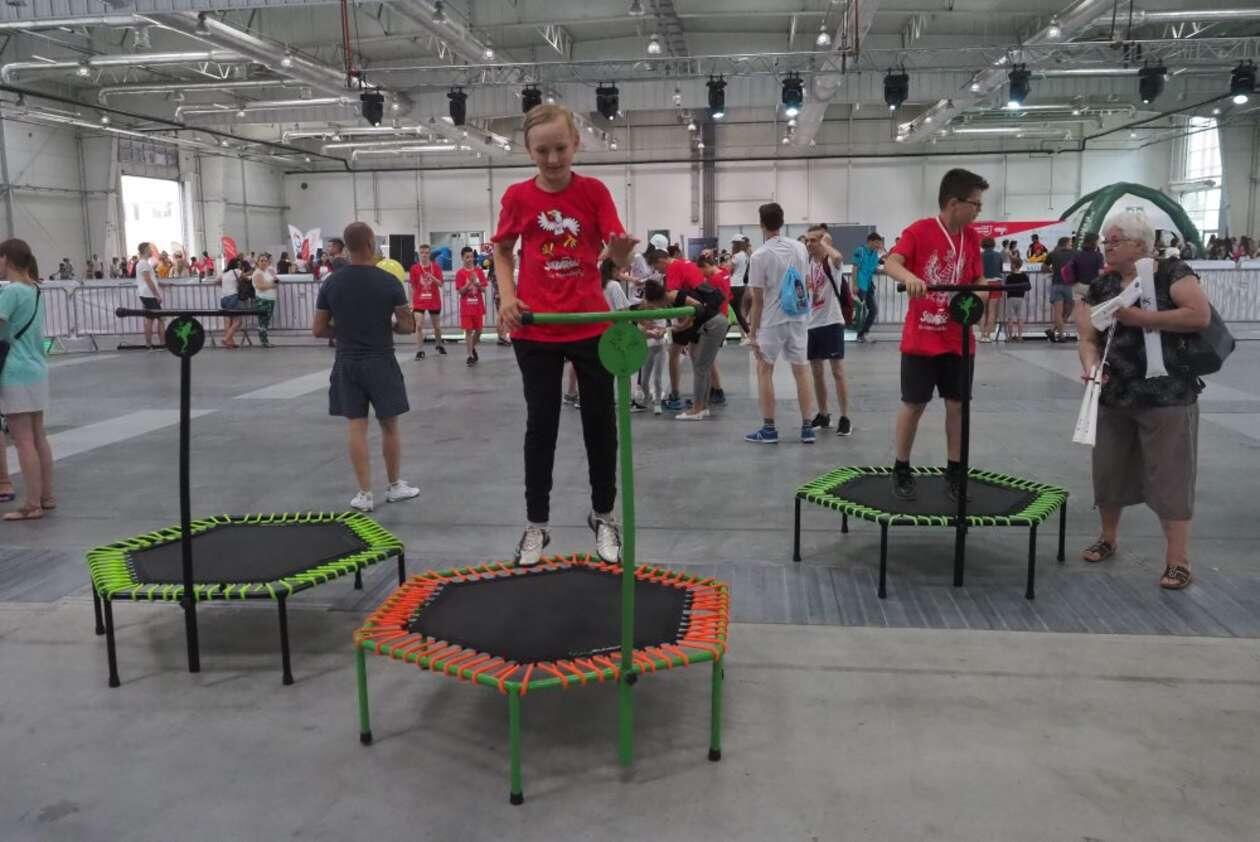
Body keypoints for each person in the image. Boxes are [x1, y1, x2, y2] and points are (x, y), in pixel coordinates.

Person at [493, 103, 638, 567]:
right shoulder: (518, 196)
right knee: (542, 425)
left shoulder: (593, 191)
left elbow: (617, 254)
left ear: (575, 143)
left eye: (560, 148)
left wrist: (620, 253)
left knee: (601, 424)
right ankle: (536, 523)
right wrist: (507, 296)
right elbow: (502, 250)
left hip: (590, 324)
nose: (553, 159)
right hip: (536, 328)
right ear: (528, 150)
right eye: (542, 151)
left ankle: (603, 515)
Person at [1075, 211, 1212, 591]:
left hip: (1167, 395)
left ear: (1139, 244)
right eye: (1106, 241)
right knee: (1109, 470)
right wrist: (1091, 368)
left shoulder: (1172, 274)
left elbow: (1198, 315)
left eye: (1114, 241)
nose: (1107, 247)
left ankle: (1178, 560)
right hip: (1114, 394)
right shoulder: (1102, 285)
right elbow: (1087, 336)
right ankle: (1107, 538)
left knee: (1171, 476)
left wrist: (1139, 317)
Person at [882, 168, 990, 501]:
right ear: (954, 203)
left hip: (958, 339)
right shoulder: (920, 230)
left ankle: (955, 471)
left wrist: (980, 294)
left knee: (958, 405)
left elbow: (978, 278)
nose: (979, 210)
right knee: (914, 404)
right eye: (975, 204)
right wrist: (909, 277)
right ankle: (901, 467)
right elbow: (891, 263)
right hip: (922, 338)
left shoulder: (972, 238)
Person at [312, 222, 419, 512]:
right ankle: (395, 486)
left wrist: (345, 331)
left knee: (356, 426)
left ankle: (364, 494)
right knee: (390, 425)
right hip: (381, 360)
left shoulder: (331, 283)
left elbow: (319, 329)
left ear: (346, 247)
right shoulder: (389, 282)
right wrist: (390, 326)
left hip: (347, 361)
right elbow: (407, 326)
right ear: (371, 244)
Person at [744, 202, 817, 444]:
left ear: (761, 224)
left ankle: (769, 429)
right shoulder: (800, 248)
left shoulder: (759, 255)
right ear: (782, 221)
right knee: (801, 370)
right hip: (798, 317)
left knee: (764, 370)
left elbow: (757, 300)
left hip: (772, 320)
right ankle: (807, 427)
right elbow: (805, 281)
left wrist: (752, 333)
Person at [0, 239, 53, 520]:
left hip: (15, 372)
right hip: (36, 369)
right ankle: (46, 495)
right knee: (38, 436)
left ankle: (31, 504)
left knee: (23, 441)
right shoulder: (35, 290)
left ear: (6, 259)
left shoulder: (11, 292)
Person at [640, 264, 726, 421]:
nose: (655, 309)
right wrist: (669, 329)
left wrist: (682, 325)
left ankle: (697, 409)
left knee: (701, 367)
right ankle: (703, 406)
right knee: (702, 366)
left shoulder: (675, 296)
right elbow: (683, 325)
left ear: (657, 300)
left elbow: (697, 308)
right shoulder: (671, 301)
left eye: (653, 306)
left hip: (713, 325)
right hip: (708, 326)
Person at [804, 225, 852, 436]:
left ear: (823, 242)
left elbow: (839, 257)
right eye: (807, 240)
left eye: (813, 240)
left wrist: (825, 243)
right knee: (816, 373)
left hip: (831, 322)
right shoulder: (808, 264)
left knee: (837, 371)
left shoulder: (830, 263)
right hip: (812, 323)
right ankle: (823, 414)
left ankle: (845, 417)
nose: (809, 244)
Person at [647, 247, 704, 411]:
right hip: (702, 311)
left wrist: (679, 326)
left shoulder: (672, 269)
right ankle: (714, 392)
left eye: (656, 267)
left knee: (674, 354)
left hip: (694, 313)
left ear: (661, 261)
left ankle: (675, 395)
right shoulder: (684, 264)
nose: (658, 271)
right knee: (702, 358)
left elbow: (674, 299)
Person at [629, 280, 668, 414]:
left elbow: (663, 330)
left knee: (657, 378)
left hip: (660, 348)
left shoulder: (660, 312)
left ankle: (658, 403)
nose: (651, 305)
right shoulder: (641, 312)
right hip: (647, 349)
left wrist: (659, 332)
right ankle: (646, 399)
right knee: (644, 380)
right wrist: (649, 332)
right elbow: (640, 332)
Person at [408, 244, 446, 359]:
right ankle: (420, 350)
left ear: (429, 254)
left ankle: (439, 344)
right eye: (422, 253)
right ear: (419, 254)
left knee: (437, 326)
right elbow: (412, 286)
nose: (424, 255)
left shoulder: (436, 267)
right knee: (419, 326)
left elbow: (441, 284)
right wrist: (411, 302)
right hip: (419, 300)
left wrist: (432, 277)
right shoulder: (414, 268)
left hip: (433, 300)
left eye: (426, 253)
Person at [455, 246, 487, 366]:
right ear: (462, 258)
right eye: (467, 257)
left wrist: (477, 283)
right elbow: (460, 292)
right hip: (466, 308)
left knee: (479, 332)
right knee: (468, 331)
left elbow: (483, 289)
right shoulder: (460, 273)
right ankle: (470, 355)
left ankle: (472, 348)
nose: (470, 259)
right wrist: (469, 283)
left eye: (471, 257)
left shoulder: (479, 271)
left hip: (478, 306)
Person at [851, 232, 884, 342]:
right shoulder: (860, 251)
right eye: (877, 243)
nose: (879, 245)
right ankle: (859, 335)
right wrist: (854, 284)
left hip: (869, 286)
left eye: (879, 243)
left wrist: (888, 270)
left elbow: (874, 268)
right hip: (860, 285)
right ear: (870, 241)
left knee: (873, 310)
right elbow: (854, 268)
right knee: (861, 312)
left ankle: (863, 333)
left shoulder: (875, 254)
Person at [133, 242, 166, 350]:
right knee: (160, 319)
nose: (152, 251)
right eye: (150, 249)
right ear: (145, 250)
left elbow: (149, 279)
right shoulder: (143, 264)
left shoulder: (143, 263)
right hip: (149, 295)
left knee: (150, 319)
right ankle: (161, 343)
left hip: (146, 294)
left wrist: (161, 284)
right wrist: (157, 295)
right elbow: (147, 279)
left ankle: (149, 344)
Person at [1046, 236, 1077, 342]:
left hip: (1056, 284)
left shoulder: (1052, 254)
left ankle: (1056, 332)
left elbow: (1043, 267)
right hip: (1069, 285)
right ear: (1066, 244)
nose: (1071, 245)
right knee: (1068, 310)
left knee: (1058, 312)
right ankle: (1059, 334)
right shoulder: (1074, 254)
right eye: (1070, 243)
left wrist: (1052, 271)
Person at [978, 237, 1004, 343]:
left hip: (983, 283)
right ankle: (988, 335)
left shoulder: (979, 256)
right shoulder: (998, 255)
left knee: (982, 310)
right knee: (992, 311)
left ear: (983, 245)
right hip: (996, 283)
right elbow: (1001, 269)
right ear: (993, 244)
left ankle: (982, 335)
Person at [252, 252, 278, 348]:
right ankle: (264, 341)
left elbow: (277, 281)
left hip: (270, 299)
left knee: (266, 321)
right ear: (258, 262)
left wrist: (274, 278)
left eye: (265, 261)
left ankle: (265, 340)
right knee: (263, 321)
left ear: (268, 262)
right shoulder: (257, 273)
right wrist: (272, 285)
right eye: (261, 260)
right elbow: (260, 286)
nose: (263, 262)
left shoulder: (269, 271)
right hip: (262, 300)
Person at [218, 256, 245, 349]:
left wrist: (225, 286)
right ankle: (226, 338)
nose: (239, 266)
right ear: (236, 265)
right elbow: (246, 278)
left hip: (223, 298)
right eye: (239, 264)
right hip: (233, 297)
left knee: (228, 321)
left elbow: (217, 281)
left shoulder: (224, 273)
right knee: (237, 321)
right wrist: (248, 271)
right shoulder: (237, 271)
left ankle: (230, 343)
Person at [1004, 253, 1029, 341]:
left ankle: (1010, 337)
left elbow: (1006, 288)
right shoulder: (1024, 276)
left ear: (1014, 265)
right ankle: (1020, 336)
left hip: (1011, 298)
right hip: (1021, 298)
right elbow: (1028, 287)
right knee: (1020, 318)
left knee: (1010, 318)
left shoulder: (1009, 276)